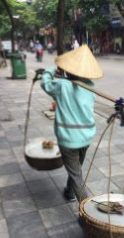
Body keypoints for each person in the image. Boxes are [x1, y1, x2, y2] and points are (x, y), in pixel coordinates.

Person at [41, 45, 103, 202]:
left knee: (76, 174)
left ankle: (87, 210)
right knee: (76, 169)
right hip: (86, 136)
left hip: (69, 138)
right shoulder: (91, 87)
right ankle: (69, 192)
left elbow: (45, 84)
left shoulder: (62, 85)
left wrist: (49, 71)